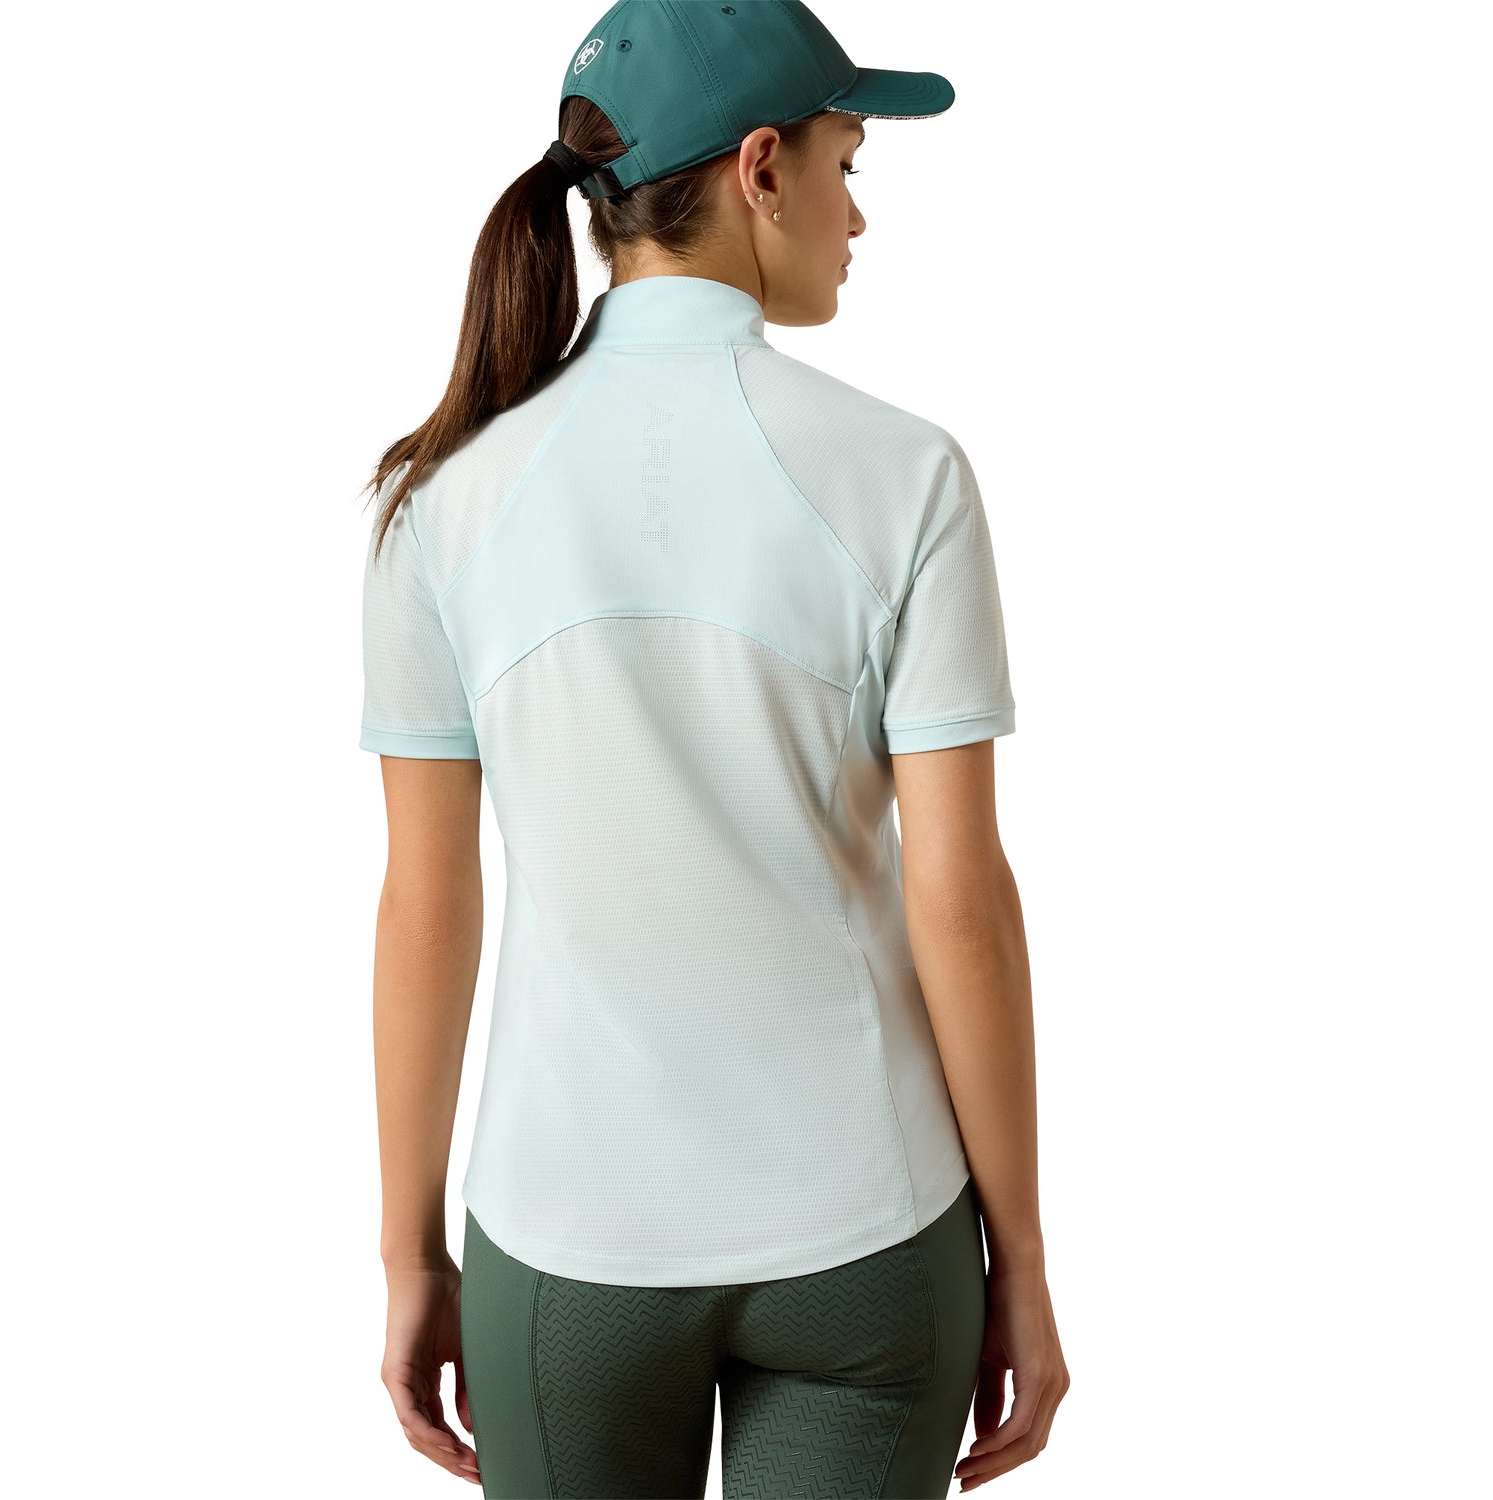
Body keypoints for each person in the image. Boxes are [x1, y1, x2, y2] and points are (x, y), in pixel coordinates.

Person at [358, 3, 1069, 1495]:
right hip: (868, 1233)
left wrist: (410, 1250)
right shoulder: (907, 474)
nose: (857, 216)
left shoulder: (437, 497)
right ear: (760, 169)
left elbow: (425, 906)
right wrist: (1021, 1257)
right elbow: (962, 906)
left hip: (566, 1242)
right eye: (846, 162)